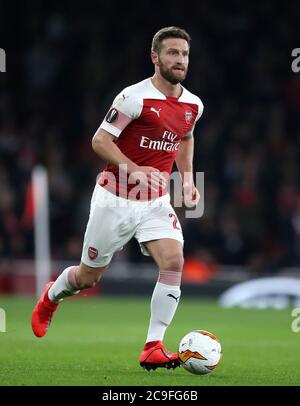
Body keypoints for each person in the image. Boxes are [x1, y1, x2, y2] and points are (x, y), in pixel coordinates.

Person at [31, 26, 204, 371]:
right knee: (88, 278)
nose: (180, 60)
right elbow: (100, 141)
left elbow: (185, 138)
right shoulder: (133, 98)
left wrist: (186, 180)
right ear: (155, 57)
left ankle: (153, 345)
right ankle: (51, 297)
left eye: (184, 54)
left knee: (173, 260)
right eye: (172, 53)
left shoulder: (193, 105)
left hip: (155, 201)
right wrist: (135, 168)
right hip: (115, 198)